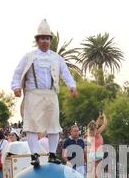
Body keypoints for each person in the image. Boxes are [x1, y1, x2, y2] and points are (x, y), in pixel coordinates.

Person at [11, 19, 78, 167]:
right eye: (42, 38)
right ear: (37, 40)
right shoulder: (28, 57)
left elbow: (66, 74)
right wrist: (16, 87)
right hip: (33, 94)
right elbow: (17, 73)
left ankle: (52, 154)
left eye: (47, 38)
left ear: (50, 40)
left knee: (54, 125)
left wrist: (72, 86)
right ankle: (34, 155)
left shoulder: (56, 58)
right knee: (31, 125)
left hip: (51, 95)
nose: (45, 41)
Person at [86, 113, 107, 178]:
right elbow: (104, 124)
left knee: (94, 169)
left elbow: (95, 125)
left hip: (92, 152)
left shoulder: (89, 133)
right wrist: (104, 116)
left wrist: (98, 118)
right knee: (97, 169)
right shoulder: (97, 133)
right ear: (95, 127)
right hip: (98, 153)